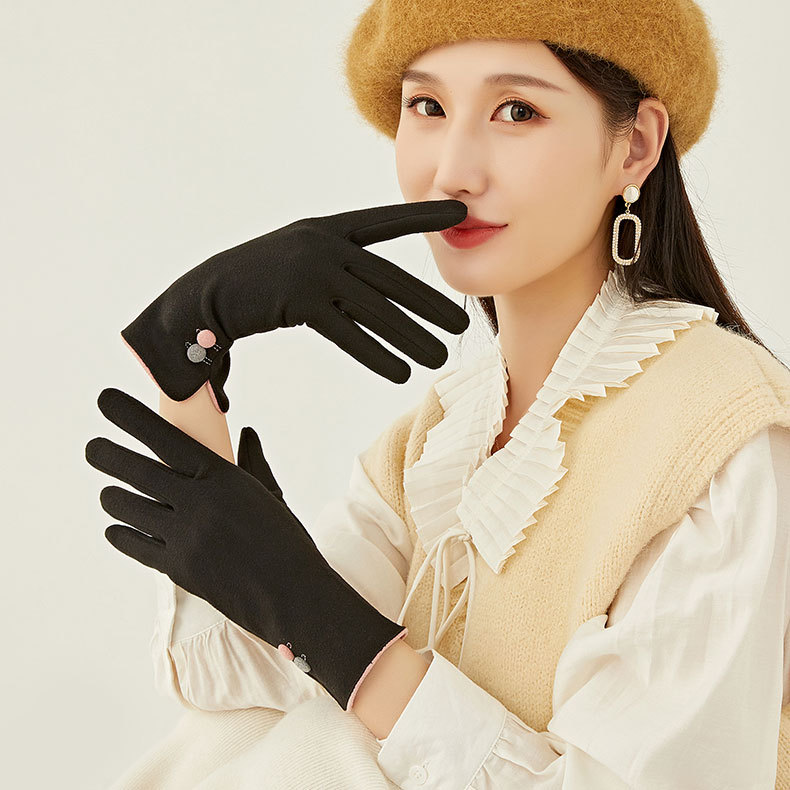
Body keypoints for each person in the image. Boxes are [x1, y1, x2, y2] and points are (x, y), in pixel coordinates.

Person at [94, 1, 790, 787]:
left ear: (634, 147)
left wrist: (324, 621)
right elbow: (251, 685)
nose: (453, 171)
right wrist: (189, 343)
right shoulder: (440, 438)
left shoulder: (721, 436)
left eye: (516, 111)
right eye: (427, 106)